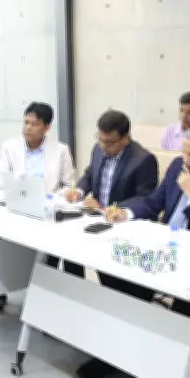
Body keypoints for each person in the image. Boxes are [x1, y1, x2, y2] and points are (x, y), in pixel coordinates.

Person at [78, 126, 190, 378]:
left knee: (176, 311)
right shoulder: (178, 165)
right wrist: (127, 213)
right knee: (115, 274)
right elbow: (154, 203)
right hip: (163, 246)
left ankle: (162, 362)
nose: (185, 159)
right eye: (183, 152)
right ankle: (116, 351)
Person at [62, 110, 158, 279]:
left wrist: (106, 208)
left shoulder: (143, 160)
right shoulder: (98, 149)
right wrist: (79, 190)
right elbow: (90, 174)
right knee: (69, 245)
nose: (103, 146)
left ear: (125, 138)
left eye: (109, 142)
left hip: (124, 226)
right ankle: (75, 287)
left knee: (109, 273)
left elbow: (144, 198)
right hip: (97, 217)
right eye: (100, 139)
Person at [0, 102, 76, 194]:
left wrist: (53, 197)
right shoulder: (9, 147)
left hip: (49, 200)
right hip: (18, 198)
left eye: (35, 124)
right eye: (26, 122)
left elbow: (69, 185)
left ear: (46, 128)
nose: (28, 128)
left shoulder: (61, 151)